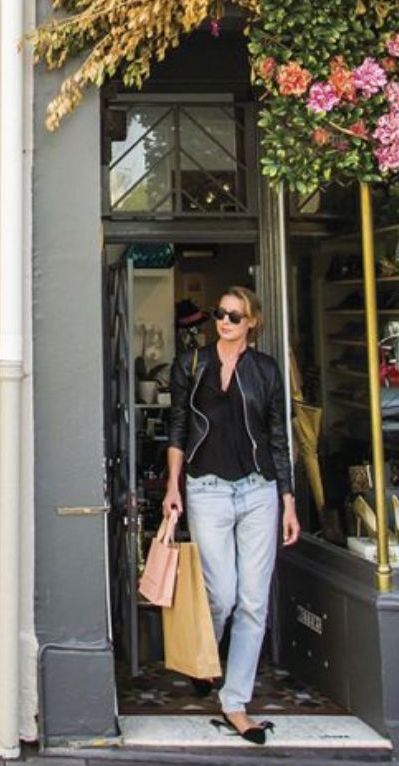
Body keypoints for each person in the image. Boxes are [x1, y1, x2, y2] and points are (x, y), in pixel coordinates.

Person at [162, 286, 300, 745]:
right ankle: (206, 658)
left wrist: (288, 501)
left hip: (258, 491)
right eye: (220, 314)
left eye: (234, 316)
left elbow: (278, 436)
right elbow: (178, 426)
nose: (224, 322)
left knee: (254, 601)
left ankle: (235, 701)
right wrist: (172, 487)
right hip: (207, 490)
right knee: (220, 593)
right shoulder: (192, 365)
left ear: (252, 322)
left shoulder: (264, 370)